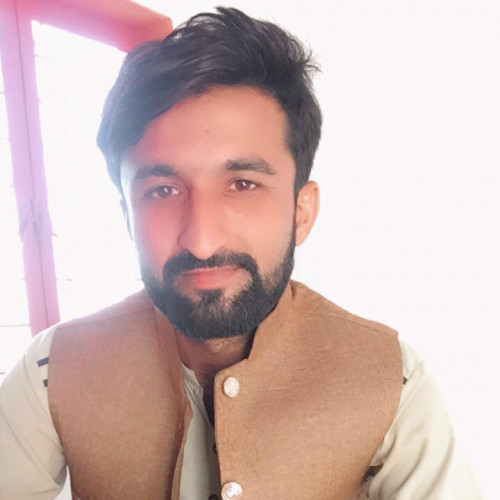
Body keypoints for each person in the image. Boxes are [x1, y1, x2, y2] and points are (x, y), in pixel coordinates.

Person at [0, 7, 480, 500]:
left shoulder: (393, 378)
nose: (202, 241)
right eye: (162, 191)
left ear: (302, 210)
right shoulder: (51, 370)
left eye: (243, 184)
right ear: (127, 214)